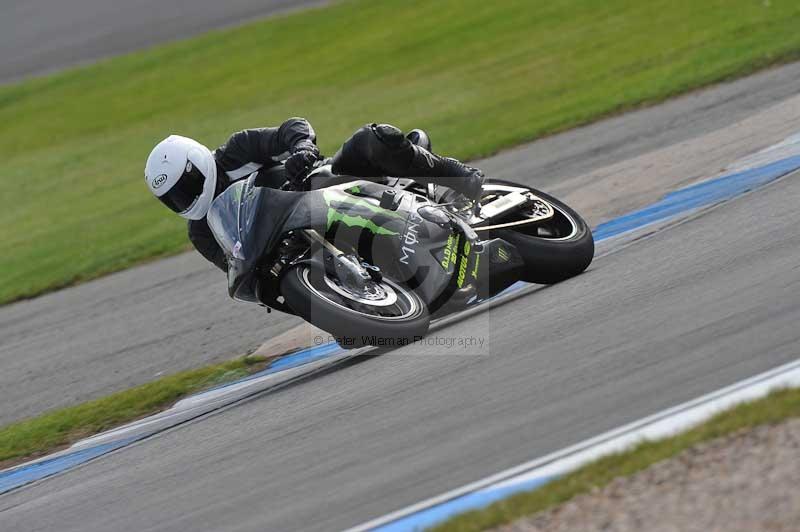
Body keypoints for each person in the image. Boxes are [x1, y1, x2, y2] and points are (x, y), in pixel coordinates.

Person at [144, 118, 482, 271]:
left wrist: (302, 149)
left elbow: (292, 129)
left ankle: (460, 177)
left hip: (326, 185)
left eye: (185, 187)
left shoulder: (236, 151)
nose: (183, 198)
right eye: (173, 197)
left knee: (372, 138)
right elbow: (233, 267)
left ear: (197, 165)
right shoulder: (201, 231)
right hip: (302, 246)